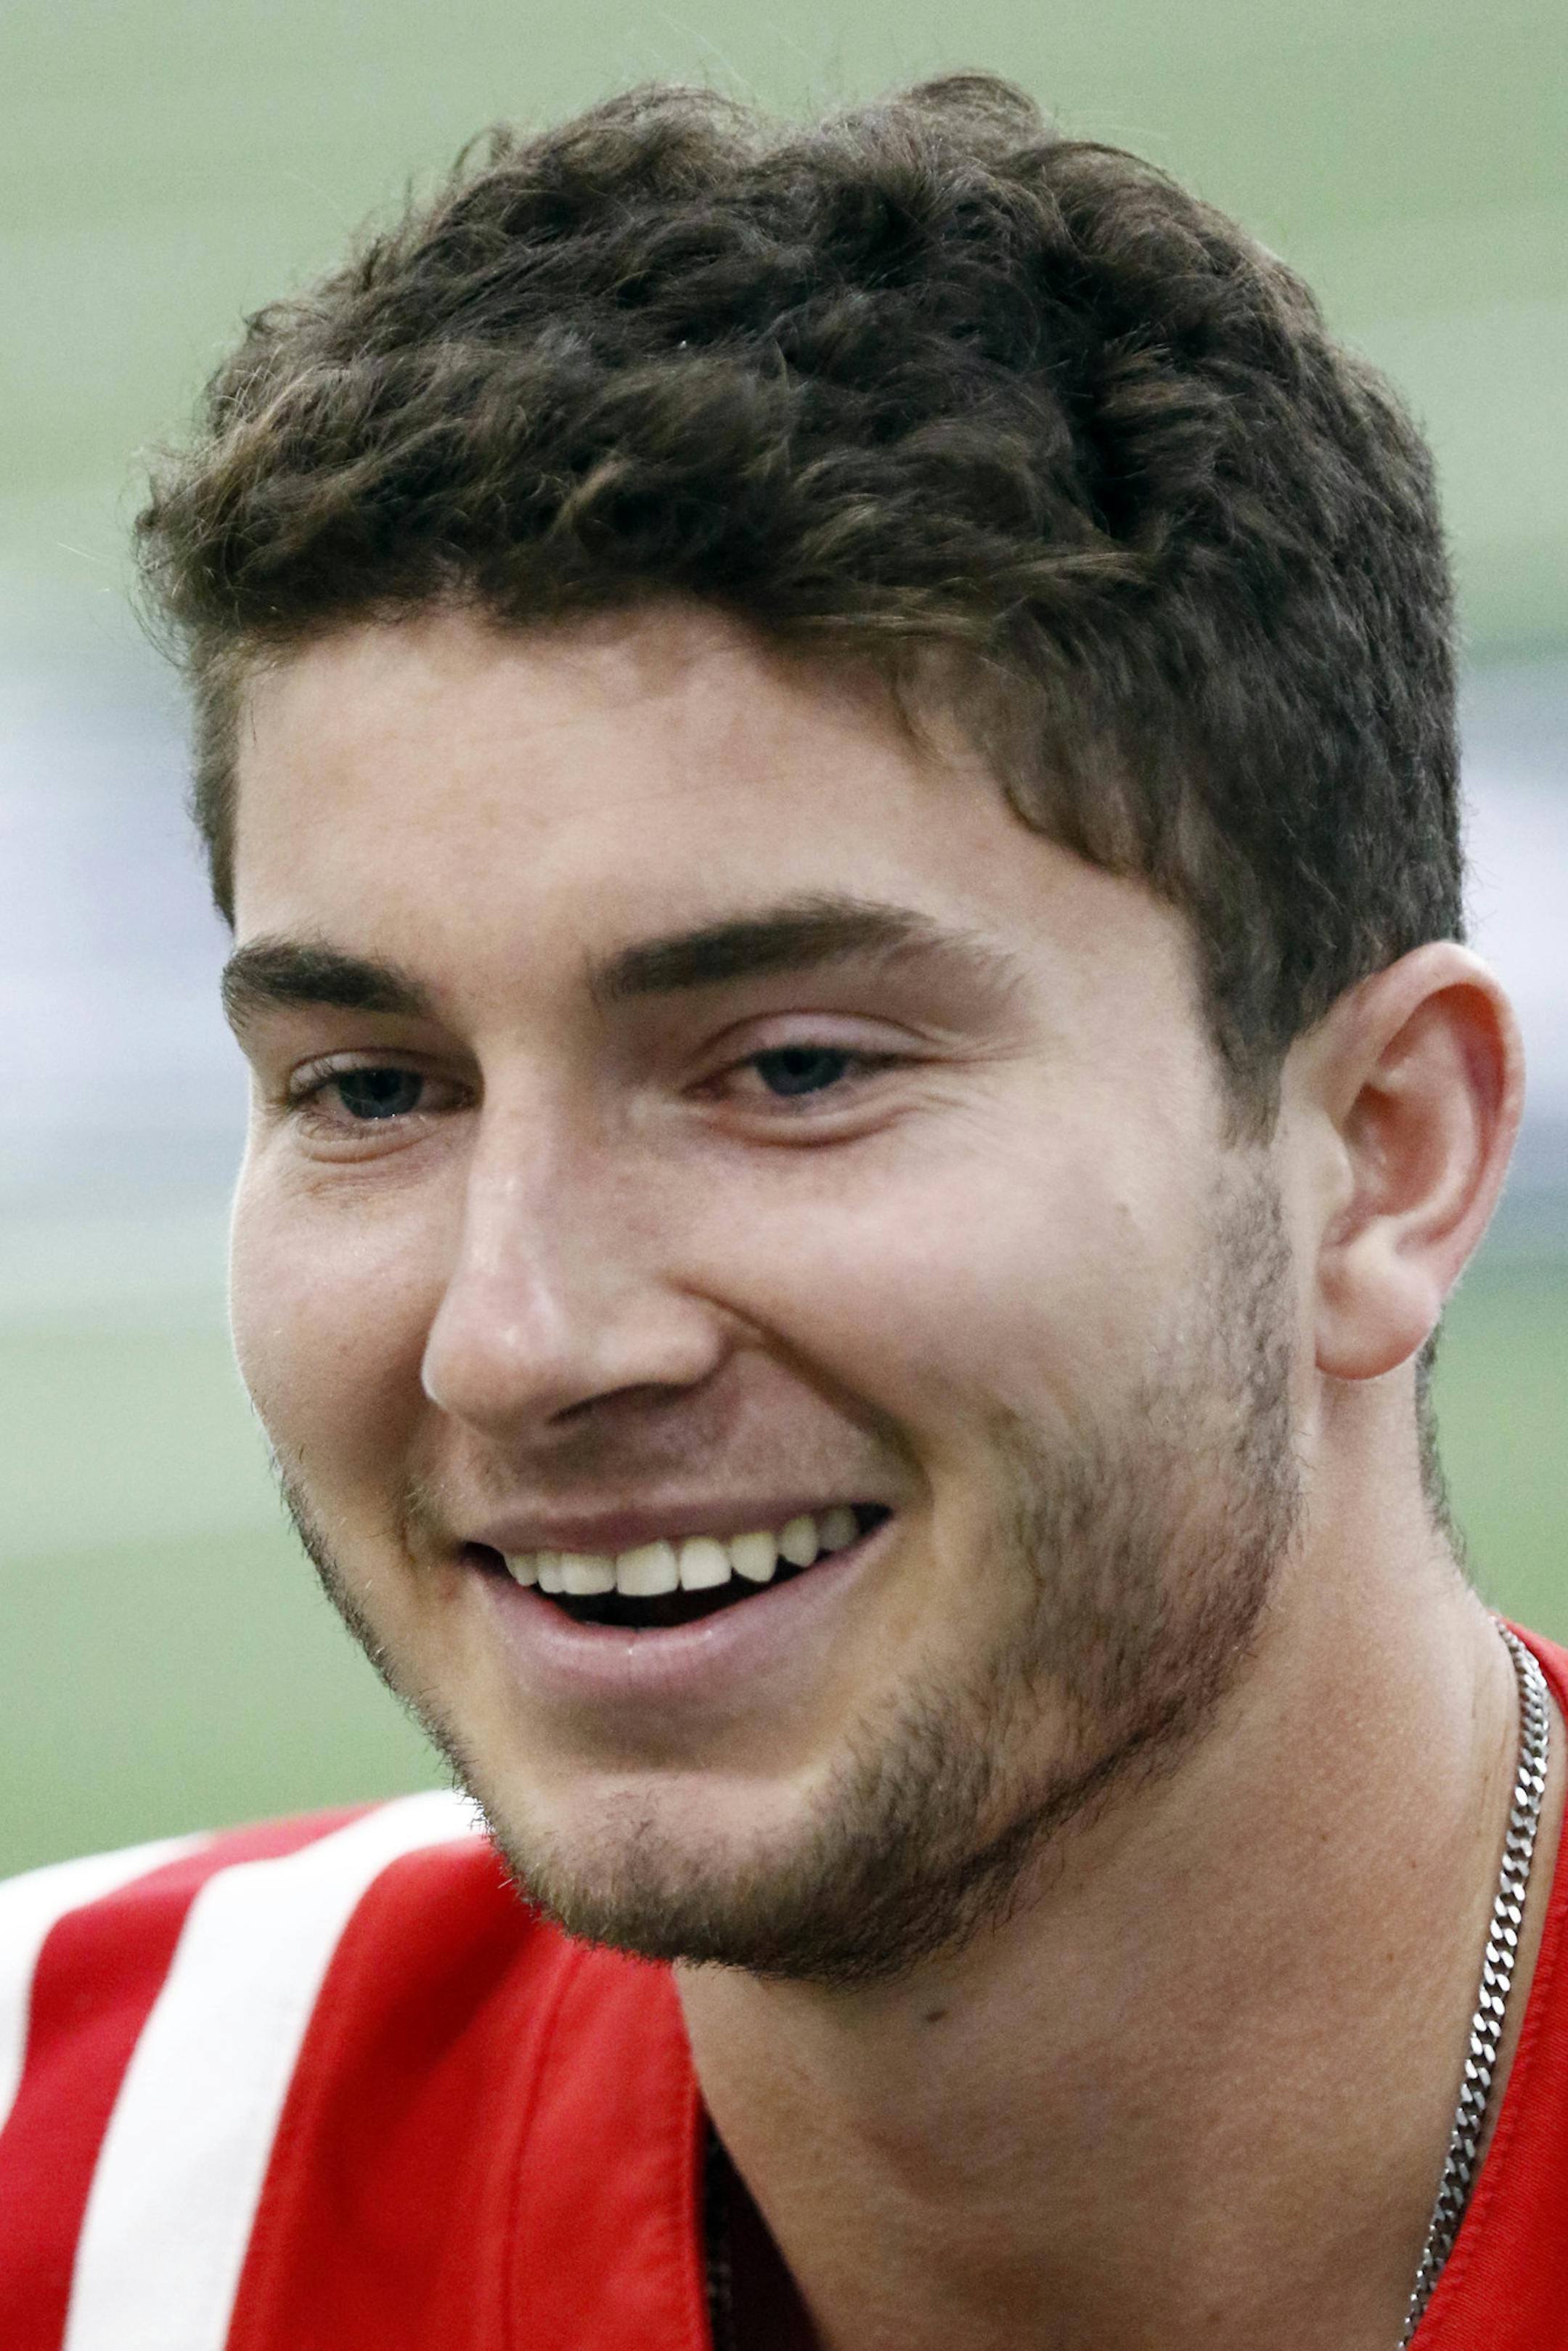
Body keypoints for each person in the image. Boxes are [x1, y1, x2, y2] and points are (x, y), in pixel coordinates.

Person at [1, 73, 1563, 2351]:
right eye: (370, 1086)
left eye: (796, 1070)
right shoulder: (84, 2188)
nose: (520, 1336)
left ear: (1386, 1156)